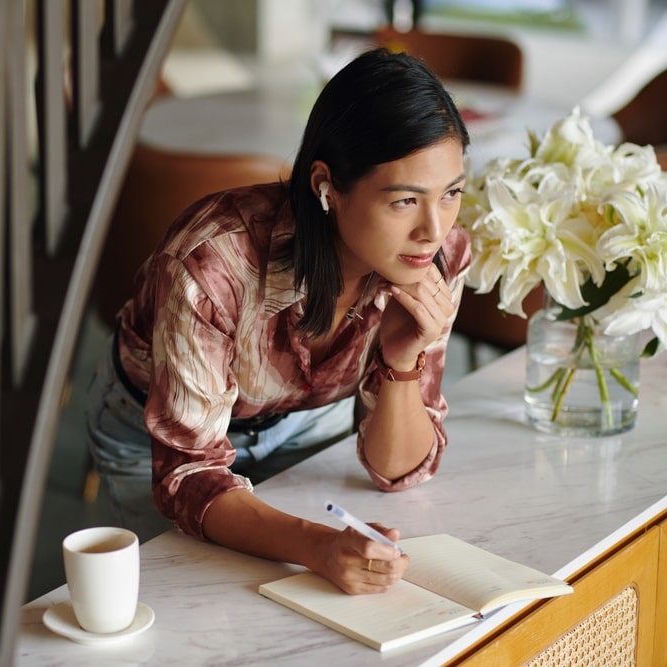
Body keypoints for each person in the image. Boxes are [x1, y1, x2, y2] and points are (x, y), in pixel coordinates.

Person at [85, 48, 471, 595]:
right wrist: (316, 546)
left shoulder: (437, 257)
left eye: (451, 193)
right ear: (326, 186)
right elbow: (188, 475)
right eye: (404, 201)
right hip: (159, 431)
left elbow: (399, 471)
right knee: (181, 607)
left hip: (304, 421)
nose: (433, 230)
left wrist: (403, 360)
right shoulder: (213, 262)